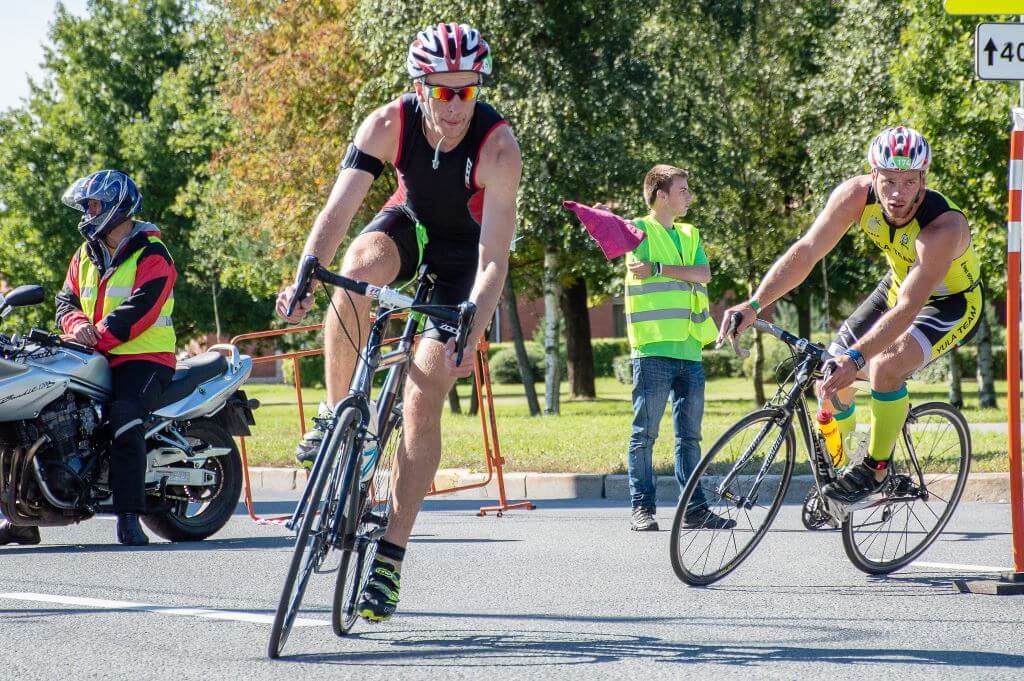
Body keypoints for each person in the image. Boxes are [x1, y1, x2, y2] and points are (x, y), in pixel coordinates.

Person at [276, 22, 521, 622]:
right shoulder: (387, 123)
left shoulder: (497, 149)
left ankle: (389, 556)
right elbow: (339, 210)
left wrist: (474, 323)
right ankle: (342, 423)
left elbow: (494, 258)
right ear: (420, 86)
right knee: (358, 266)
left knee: (426, 386)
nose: (457, 105)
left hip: (464, 256)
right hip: (409, 224)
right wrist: (308, 272)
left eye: (468, 90)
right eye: (444, 92)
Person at [719, 126, 982, 503]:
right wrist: (754, 303)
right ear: (873, 174)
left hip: (949, 303)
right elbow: (808, 250)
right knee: (829, 374)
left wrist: (858, 356)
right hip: (895, 287)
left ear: (923, 177)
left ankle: (876, 470)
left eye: (909, 182)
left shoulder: (943, 227)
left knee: (884, 366)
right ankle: (847, 469)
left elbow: (911, 307)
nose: (896, 193)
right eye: (888, 180)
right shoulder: (856, 196)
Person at [0, 169, 178, 547]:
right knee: (36, 418)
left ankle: (129, 516)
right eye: (85, 205)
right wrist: (78, 324)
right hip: (90, 353)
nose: (86, 212)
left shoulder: (153, 253)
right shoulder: (85, 253)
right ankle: (24, 518)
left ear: (116, 206)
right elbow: (65, 301)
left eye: (93, 205)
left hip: (144, 358)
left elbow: (142, 308)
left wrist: (97, 335)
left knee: (124, 416)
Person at [615, 165, 734, 532]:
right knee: (644, 434)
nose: (689, 196)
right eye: (683, 190)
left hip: (689, 350)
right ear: (660, 195)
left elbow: (704, 274)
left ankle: (694, 509)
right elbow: (641, 266)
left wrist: (660, 267)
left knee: (690, 437)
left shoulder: (689, 232)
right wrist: (661, 268)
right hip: (652, 348)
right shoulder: (637, 231)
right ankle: (642, 508)